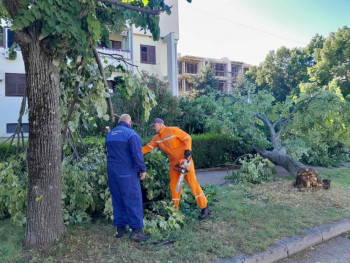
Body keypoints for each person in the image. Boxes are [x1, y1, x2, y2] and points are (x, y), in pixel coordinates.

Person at [142, 118, 211, 219]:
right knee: (174, 187)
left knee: (192, 183)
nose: (153, 127)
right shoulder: (157, 138)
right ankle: (174, 211)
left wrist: (188, 151)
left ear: (161, 124)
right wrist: (136, 153)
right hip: (174, 164)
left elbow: (187, 137)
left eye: (154, 125)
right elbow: (147, 147)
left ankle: (205, 207)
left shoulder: (173, 130)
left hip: (185, 162)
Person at [106, 114, 149, 241]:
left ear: (119, 122)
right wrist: (142, 170)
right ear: (129, 123)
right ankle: (136, 231)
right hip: (127, 172)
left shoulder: (110, 134)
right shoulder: (131, 134)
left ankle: (120, 229)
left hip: (112, 172)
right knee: (133, 200)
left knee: (117, 199)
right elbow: (137, 154)